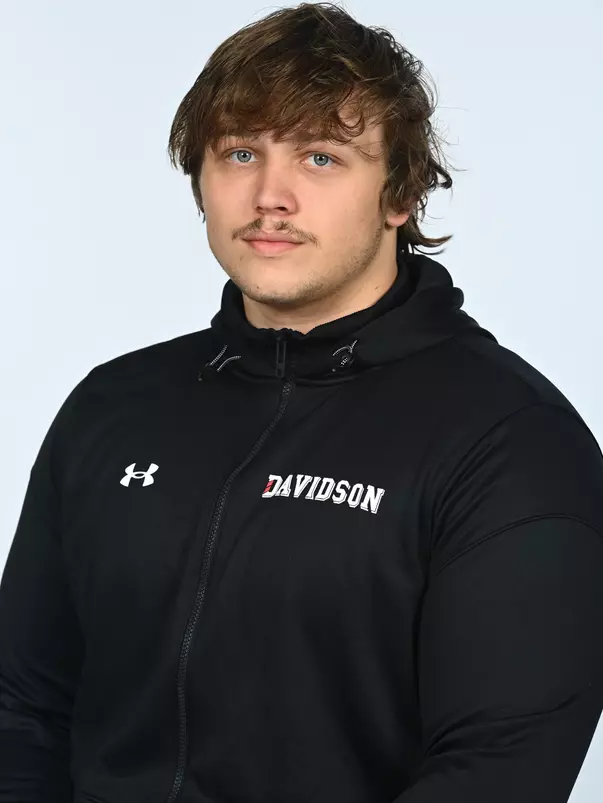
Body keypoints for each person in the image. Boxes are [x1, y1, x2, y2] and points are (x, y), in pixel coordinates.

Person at [1, 2, 602, 802]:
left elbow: (498, 768)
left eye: (320, 158)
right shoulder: (112, 407)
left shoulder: (511, 440)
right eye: (240, 152)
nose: (269, 195)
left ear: (400, 192)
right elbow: (22, 708)